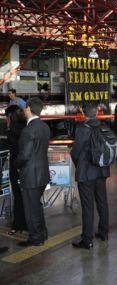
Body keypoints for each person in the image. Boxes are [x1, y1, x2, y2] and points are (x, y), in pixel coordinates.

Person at [70, 103, 110, 249]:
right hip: (102, 170)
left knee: (88, 206)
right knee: (102, 201)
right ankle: (104, 232)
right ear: (97, 112)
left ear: (82, 112)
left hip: (86, 172)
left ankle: (87, 239)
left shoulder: (82, 128)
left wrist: (78, 164)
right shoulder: (103, 126)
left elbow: (76, 152)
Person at [14, 97, 50, 247]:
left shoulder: (28, 130)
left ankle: (36, 238)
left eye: (24, 108)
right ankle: (42, 233)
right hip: (42, 173)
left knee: (31, 208)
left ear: (28, 108)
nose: (23, 110)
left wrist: (15, 164)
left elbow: (25, 155)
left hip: (30, 175)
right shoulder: (44, 126)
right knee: (36, 205)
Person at [5, 105, 27, 235]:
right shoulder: (26, 127)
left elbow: (16, 150)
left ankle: (19, 224)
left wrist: (17, 165)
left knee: (18, 196)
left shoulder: (12, 130)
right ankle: (24, 223)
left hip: (17, 166)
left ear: (10, 117)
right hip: (27, 167)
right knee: (26, 196)